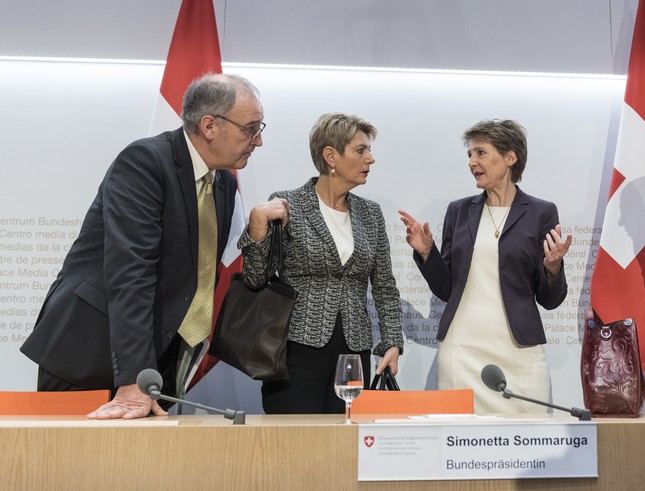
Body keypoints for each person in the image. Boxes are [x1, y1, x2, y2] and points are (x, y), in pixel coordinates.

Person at [20, 73, 265, 419]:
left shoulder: (222, 181)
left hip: (158, 362)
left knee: (144, 471)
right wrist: (135, 377)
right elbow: (130, 272)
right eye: (251, 129)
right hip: (93, 353)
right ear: (210, 125)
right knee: (72, 470)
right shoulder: (145, 163)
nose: (257, 141)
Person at [399, 119, 571, 413]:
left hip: (519, 350)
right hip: (462, 347)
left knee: (527, 437)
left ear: (509, 157)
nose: (472, 162)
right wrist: (428, 252)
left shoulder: (541, 211)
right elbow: (445, 288)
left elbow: (550, 299)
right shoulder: (459, 210)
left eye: (480, 153)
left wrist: (553, 267)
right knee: (460, 438)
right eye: (469, 155)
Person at [241, 112, 403, 414]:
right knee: (295, 442)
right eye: (361, 150)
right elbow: (255, 277)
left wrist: (392, 342)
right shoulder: (288, 203)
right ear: (331, 156)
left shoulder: (371, 213)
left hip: (354, 351)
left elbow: (384, 286)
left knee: (344, 446)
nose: (371, 159)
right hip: (295, 349)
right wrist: (257, 227)